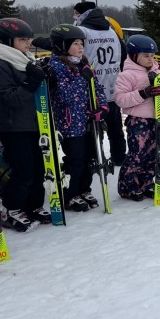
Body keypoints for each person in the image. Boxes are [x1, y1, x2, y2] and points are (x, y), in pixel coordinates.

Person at [0, 18, 48, 231]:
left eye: (29, 39)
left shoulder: (26, 60)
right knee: (23, 170)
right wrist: (31, 82)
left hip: (33, 123)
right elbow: (9, 98)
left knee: (39, 168)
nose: (28, 43)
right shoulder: (1, 64)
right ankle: (11, 208)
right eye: (22, 39)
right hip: (14, 127)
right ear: (8, 40)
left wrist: (46, 78)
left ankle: (33, 204)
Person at [47, 24, 108, 212]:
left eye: (82, 43)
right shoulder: (56, 66)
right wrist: (81, 77)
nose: (81, 47)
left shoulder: (83, 62)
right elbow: (64, 95)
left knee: (90, 157)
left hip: (88, 120)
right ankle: (70, 193)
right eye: (75, 43)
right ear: (62, 45)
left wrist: (102, 105)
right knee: (76, 159)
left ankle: (84, 188)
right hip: (70, 122)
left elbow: (96, 87)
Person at [114, 35, 160, 201]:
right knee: (137, 154)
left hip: (158, 119)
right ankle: (128, 186)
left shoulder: (159, 73)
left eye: (152, 56)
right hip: (138, 122)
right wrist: (144, 93)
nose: (150, 59)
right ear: (135, 56)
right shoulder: (127, 75)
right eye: (146, 56)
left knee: (155, 154)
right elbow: (120, 99)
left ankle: (148, 183)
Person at [73, 1, 127, 166]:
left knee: (94, 128)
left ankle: (96, 158)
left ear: (81, 13)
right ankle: (119, 157)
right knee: (115, 127)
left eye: (75, 13)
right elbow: (123, 53)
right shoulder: (111, 30)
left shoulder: (82, 31)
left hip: (92, 88)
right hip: (113, 85)